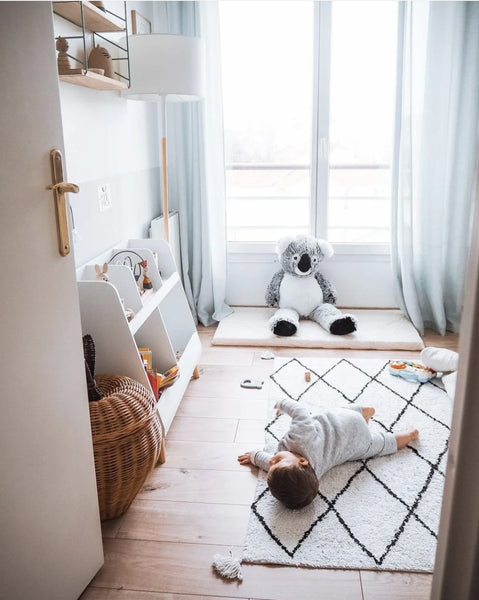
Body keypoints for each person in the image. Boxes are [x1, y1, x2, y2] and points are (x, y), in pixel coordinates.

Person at [238, 398, 419, 510]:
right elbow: (300, 412)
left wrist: (254, 456)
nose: (273, 459)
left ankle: (408, 435)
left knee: (383, 445)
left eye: (274, 461)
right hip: (346, 422)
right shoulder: (300, 441)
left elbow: (271, 464)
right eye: (276, 461)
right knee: (337, 413)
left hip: (357, 446)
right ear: (303, 462)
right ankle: (367, 412)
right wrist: (282, 403)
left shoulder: (308, 470)